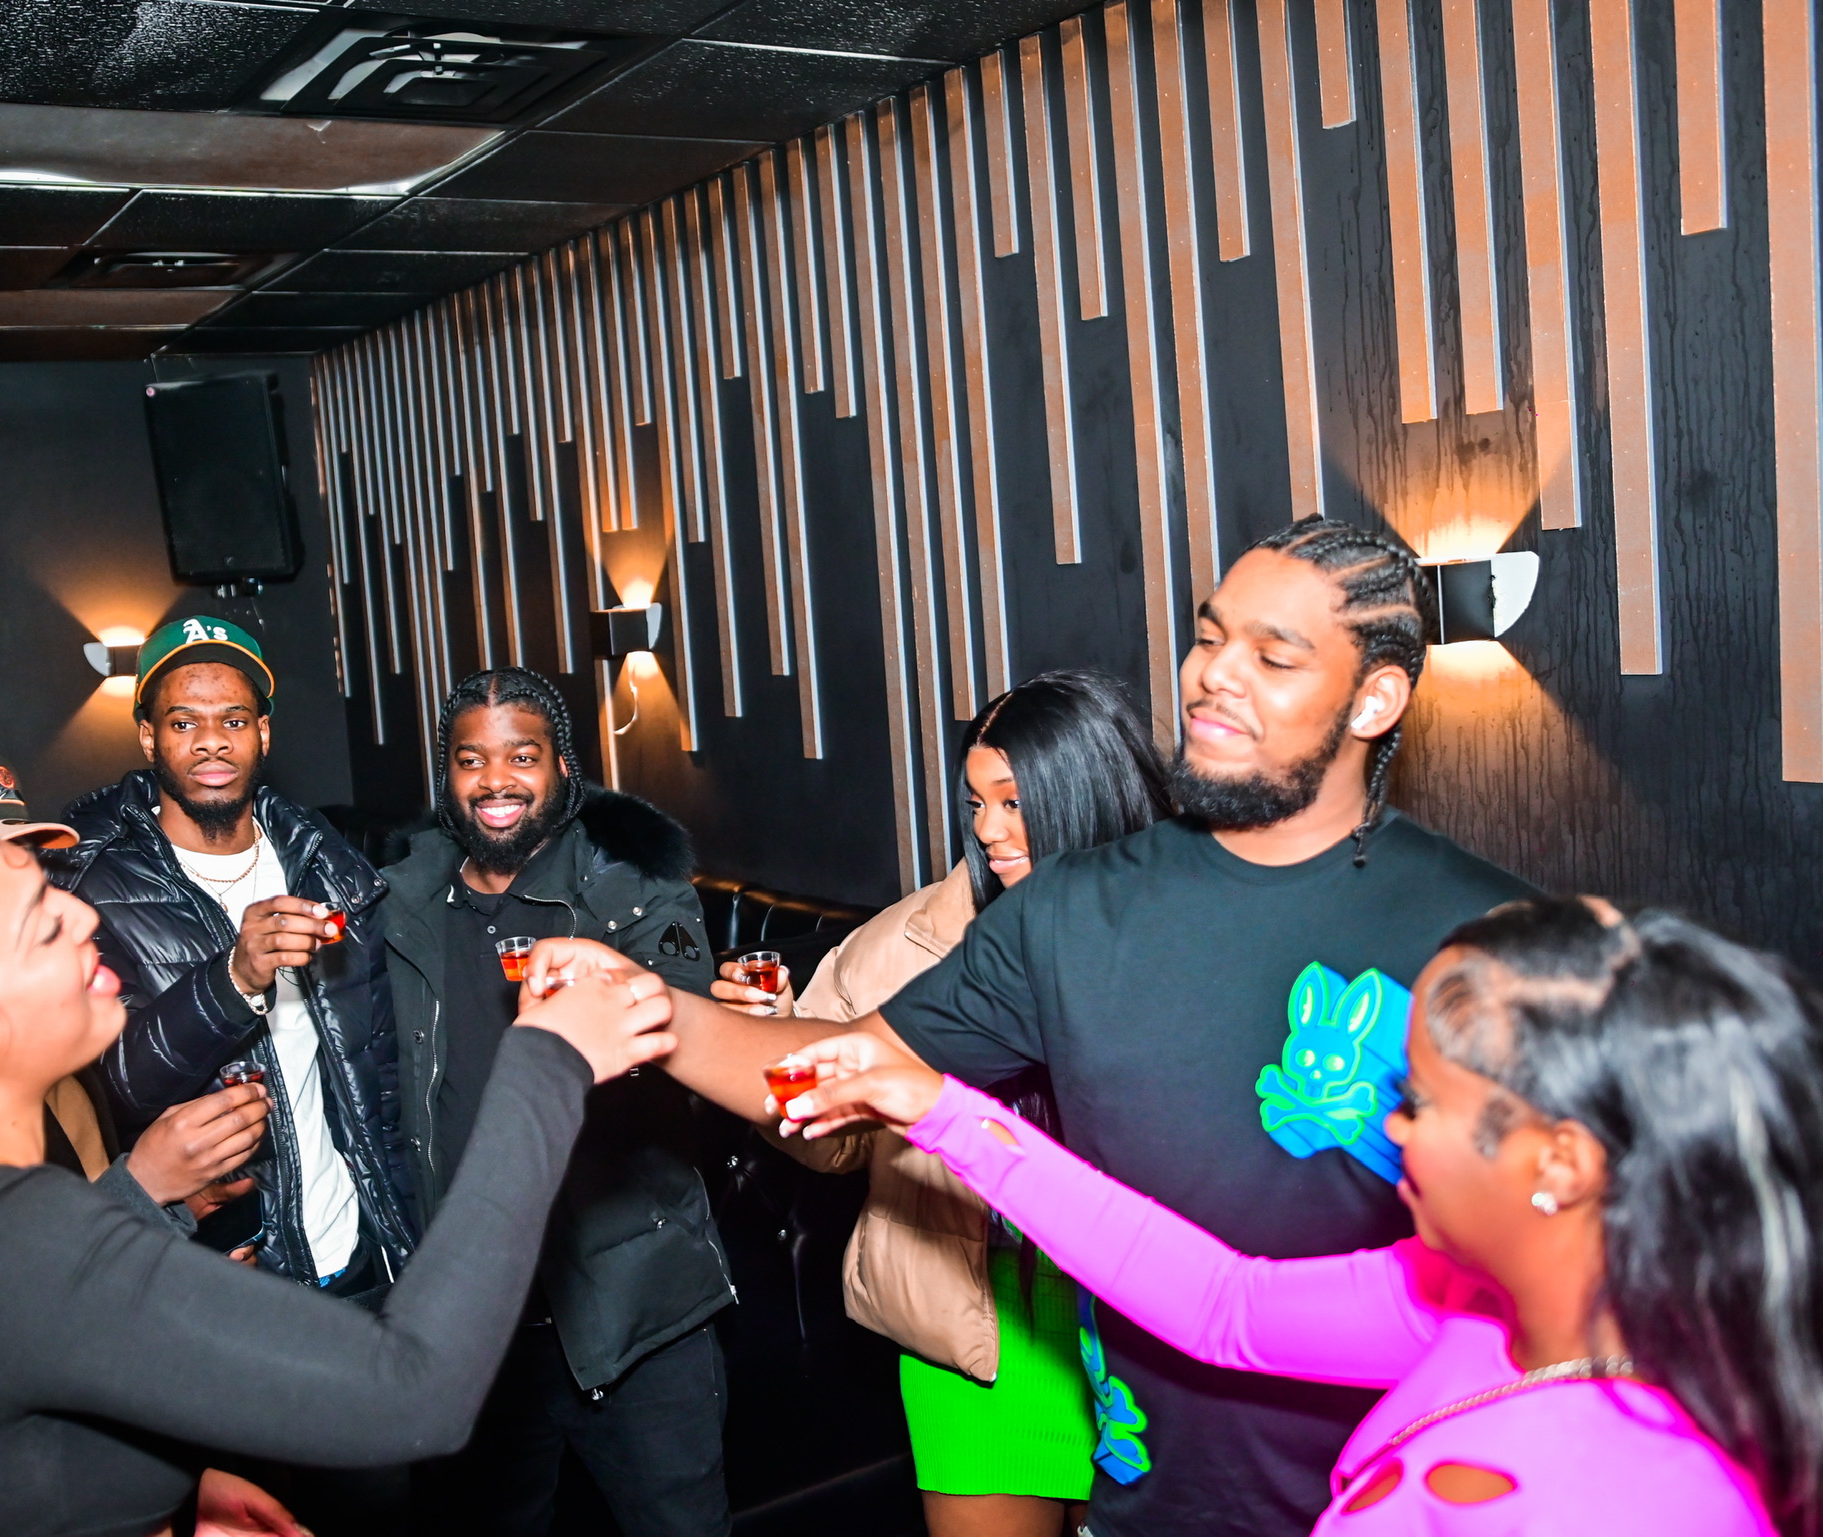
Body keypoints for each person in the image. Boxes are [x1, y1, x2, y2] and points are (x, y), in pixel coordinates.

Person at [531, 518, 1538, 1537]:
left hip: (1418, 1500)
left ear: (1374, 699)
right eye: (1208, 637)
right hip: (1147, 1505)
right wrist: (649, 1005)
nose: (1213, 675)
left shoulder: (1491, 936)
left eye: (1272, 656)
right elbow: (840, 1067)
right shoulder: (1072, 910)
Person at [0, 820, 680, 1537]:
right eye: (40, 925)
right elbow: (415, 1389)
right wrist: (547, 1060)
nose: (84, 913)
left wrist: (162, 1494)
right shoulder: (6, 1231)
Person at [780, 894, 1820, 1536]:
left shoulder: (1655, 1498)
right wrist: (938, 1108)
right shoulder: (1460, 1303)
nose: (1391, 1128)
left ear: (1561, 1162)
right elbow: (1222, 1303)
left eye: (1423, 1104)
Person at [715, 672, 1170, 1537]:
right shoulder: (905, 944)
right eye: (975, 802)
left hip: (1149, 1325)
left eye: (1014, 801)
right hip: (976, 1328)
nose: (988, 829)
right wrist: (772, 1044)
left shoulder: (1184, 923)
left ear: (1087, 793)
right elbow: (833, 1144)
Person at [380, 666, 731, 1537]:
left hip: (631, 1303)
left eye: (521, 756)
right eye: (470, 759)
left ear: (563, 767)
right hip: (474, 1322)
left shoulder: (631, 891)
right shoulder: (400, 902)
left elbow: (686, 1041)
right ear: (446, 776)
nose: (494, 780)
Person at [54, 616, 416, 1296]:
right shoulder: (90, 887)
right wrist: (234, 977)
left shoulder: (325, 863)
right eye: (183, 722)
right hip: (236, 1276)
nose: (212, 741)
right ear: (148, 737)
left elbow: (380, 1075)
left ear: (263, 733)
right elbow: (118, 1089)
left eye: (234, 720)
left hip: (361, 1254)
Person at [0, 747, 269, 1237]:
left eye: (26, 863)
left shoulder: (39, 1024)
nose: (59, 907)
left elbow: (80, 1194)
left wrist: (173, 1211)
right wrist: (144, 1185)